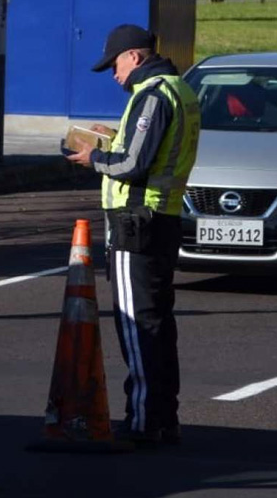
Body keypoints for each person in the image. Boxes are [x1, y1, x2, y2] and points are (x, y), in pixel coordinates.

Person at [66, 24, 200, 444]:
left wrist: (95, 157)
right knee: (158, 321)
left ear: (135, 57)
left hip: (134, 220)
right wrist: (112, 141)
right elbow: (151, 151)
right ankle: (164, 416)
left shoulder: (153, 95)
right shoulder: (179, 90)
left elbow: (132, 165)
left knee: (136, 323)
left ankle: (143, 420)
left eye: (115, 64)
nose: (113, 74)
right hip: (162, 217)